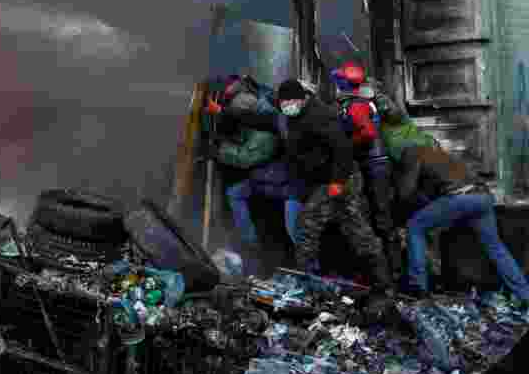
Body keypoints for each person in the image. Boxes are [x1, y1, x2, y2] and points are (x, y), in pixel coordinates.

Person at [209, 79, 393, 292]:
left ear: (303, 99)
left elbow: (342, 149)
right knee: (322, 230)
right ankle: (317, 283)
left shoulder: (320, 117)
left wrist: (337, 182)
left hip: (338, 182)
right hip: (318, 183)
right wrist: (222, 111)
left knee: (345, 230)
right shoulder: (285, 116)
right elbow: (258, 119)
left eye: (291, 102)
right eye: (284, 102)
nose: (287, 106)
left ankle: (379, 281)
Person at [394, 144, 529, 303]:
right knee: (495, 247)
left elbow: (405, 192)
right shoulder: (441, 154)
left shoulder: (411, 153)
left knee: (414, 226)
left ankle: (417, 287)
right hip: (483, 196)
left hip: (461, 198)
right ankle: (524, 294)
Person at [210, 76, 303, 272]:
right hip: (275, 175)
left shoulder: (269, 131)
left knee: (294, 228)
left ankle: (256, 249)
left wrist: (219, 150)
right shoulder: (264, 108)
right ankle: (257, 247)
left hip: (282, 181)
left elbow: (246, 157)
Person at [329, 62, 399, 273]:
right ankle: (387, 268)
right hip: (374, 162)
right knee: (377, 216)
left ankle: (391, 270)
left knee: (380, 217)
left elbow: (367, 133)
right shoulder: (359, 100)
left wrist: (348, 145)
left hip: (373, 163)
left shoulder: (356, 103)